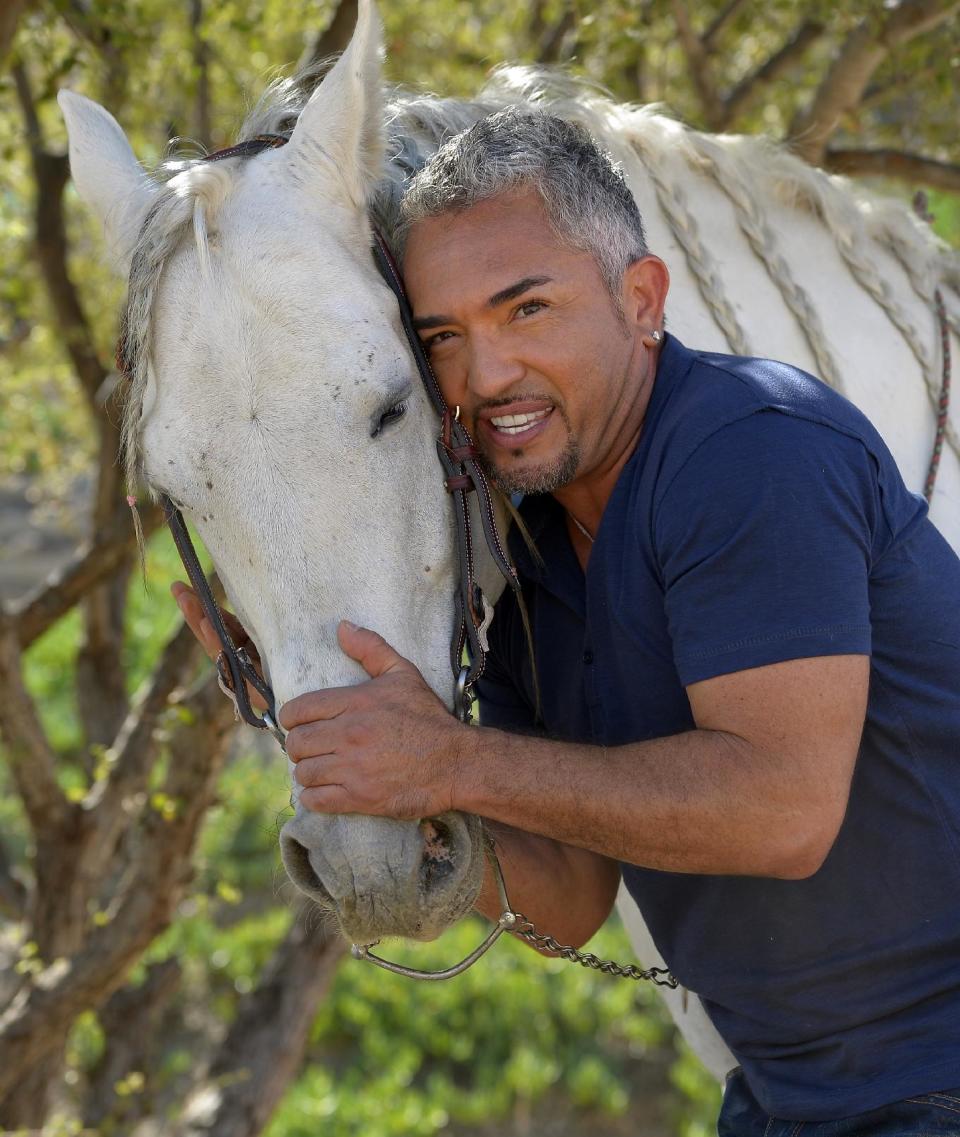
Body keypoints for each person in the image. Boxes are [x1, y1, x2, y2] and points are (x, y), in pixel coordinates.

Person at [175, 109, 960, 1134]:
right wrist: (352, 752)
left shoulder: (752, 454)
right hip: (785, 1103)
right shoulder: (529, 549)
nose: (485, 377)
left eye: (527, 310)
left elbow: (783, 811)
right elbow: (573, 890)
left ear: (641, 299)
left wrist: (448, 766)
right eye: (443, 338)